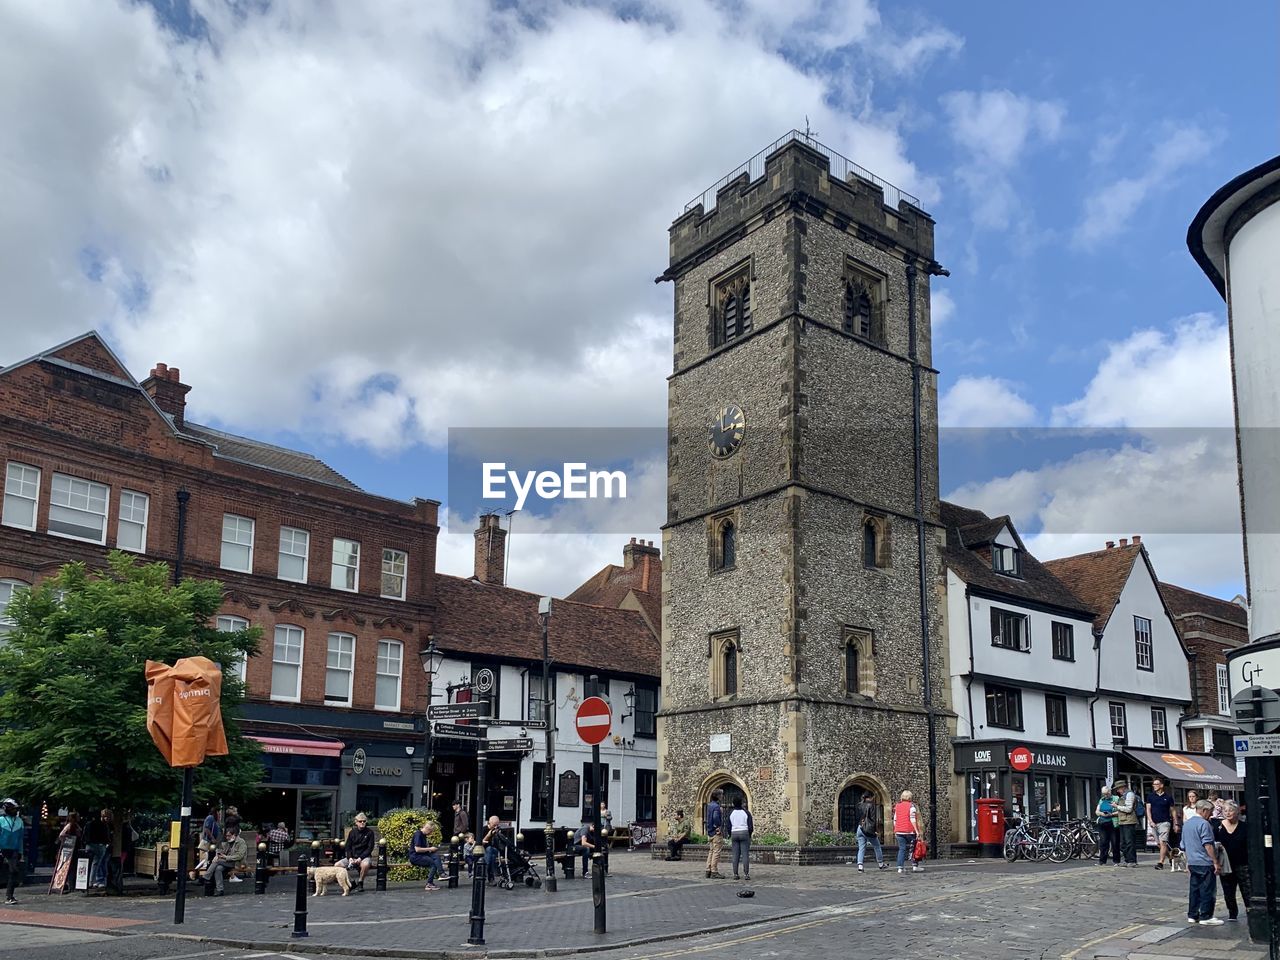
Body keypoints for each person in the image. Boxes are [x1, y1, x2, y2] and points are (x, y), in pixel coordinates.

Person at [1180, 799, 1222, 925]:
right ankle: (1206, 916)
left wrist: (1188, 861)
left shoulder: (1187, 824)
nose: (1211, 815)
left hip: (1193, 862)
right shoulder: (1204, 824)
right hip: (1205, 862)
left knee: (1194, 889)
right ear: (1204, 810)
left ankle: (1192, 915)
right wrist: (1215, 861)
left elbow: (1184, 845)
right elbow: (1208, 845)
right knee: (1207, 889)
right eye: (1210, 812)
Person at [1214, 800, 1249, 922]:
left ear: (1237, 811)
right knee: (1228, 890)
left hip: (1242, 862)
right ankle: (1232, 913)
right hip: (1225, 864)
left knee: (1246, 889)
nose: (1228, 813)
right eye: (1225, 810)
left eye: (1231, 810)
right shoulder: (1218, 827)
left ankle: (1250, 910)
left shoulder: (1244, 826)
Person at [1145, 777, 1177, 870]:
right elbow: (1148, 809)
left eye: (1156, 784)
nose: (1154, 786)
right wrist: (1150, 821)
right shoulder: (1150, 796)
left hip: (1165, 822)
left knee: (1163, 842)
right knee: (1159, 844)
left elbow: (1173, 810)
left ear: (1161, 785)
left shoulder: (1168, 797)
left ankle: (1160, 862)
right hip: (1154, 822)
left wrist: (1175, 823)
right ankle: (1170, 857)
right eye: (1153, 784)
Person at [340, 813, 376, 891]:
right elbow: (348, 847)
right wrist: (350, 858)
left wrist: (360, 858)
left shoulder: (370, 833)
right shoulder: (352, 832)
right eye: (360, 821)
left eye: (364, 821)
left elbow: (370, 848)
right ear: (356, 822)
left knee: (365, 864)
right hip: (353, 856)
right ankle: (351, 882)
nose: (362, 823)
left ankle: (360, 882)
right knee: (337, 865)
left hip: (364, 856)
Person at [208, 826, 247, 896]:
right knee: (218, 868)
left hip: (236, 863)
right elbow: (222, 851)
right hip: (226, 863)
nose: (227, 837)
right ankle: (220, 890)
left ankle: (206, 877)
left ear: (234, 835)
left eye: (229, 836)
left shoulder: (241, 842)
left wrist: (226, 857)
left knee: (217, 861)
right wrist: (218, 855)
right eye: (226, 836)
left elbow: (240, 856)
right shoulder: (228, 842)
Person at [409, 816, 443, 891]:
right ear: (428, 829)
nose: (431, 833)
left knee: (436, 856)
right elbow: (417, 849)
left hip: (421, 855)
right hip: (415, 857)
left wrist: (431, 850)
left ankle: (442, 874)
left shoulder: (423, 835)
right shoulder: (418, 834)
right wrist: (430, 849)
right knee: (433, 864)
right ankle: (429, 884)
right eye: (431, 831)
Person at [0, 799, 24, 905]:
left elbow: (21, 839)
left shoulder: (19, 821)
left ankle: (9, 896)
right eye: (13, 809)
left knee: (13, 871)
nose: (15, 811)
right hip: (1, 848)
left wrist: (20, 851)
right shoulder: (1, 820)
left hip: (13, 849)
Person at [855, 792, 886, 872]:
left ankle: (860, 865)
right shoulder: (871, 805)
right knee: (877, 846)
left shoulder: (859, 805)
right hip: (868, 829)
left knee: (861, 847)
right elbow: (873, 819)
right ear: (870, 797)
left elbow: (858, 817)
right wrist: (875, 830)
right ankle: (881, 864)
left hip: (860, 828)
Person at [893, 790, 922, 874]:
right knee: (914, 848)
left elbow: (895, 820)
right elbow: (912, 819)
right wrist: (917, 831)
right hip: (909, 831)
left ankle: (900, 868)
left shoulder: (897, 806)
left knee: (901, 849)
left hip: (899, 831)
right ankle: (915, 866)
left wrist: (896, 829)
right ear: (909, 797)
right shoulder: (911, 807)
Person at [1113, 779, 1138, 867]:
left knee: (1129, 842)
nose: (1117, 791)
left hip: (1129, 821)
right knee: (1123, 842)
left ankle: (1132, 860)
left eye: (1118, 789)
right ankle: (1126, 860)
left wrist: (1117, 806)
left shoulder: (1129, 794)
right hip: (1123, 821)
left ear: (1123, 787)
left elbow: (1129, 808)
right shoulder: (1123, 795)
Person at [86, 808, 113, 889]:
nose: (106, 818)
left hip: (94, 844)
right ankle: (98, 880)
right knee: (99, 863)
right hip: (101, 845)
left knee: (97, 863)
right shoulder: (104, 825)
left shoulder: (90, 824)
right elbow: (106, 836)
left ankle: (94, 881)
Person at [728, 797, 752, 881]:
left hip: (734, 832)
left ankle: (735, 874)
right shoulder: (746, 812)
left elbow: (728, 825)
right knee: (745, 855)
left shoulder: (731, 813)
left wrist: (729, 834)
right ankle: (746, 874)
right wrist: (749, 834)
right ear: (741, 803)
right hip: (744, 832)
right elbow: (750, 826)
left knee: (735, 855)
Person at [1095, 786, 1120, 866]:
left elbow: (1120, 811)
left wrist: (1111, 814)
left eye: (1106, 794)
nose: (1105, 796)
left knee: (1115, 842)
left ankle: (1116, 861)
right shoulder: (1101, 800)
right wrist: (1102, 814)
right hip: (1102, 823)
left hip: (1113, 823)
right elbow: (1097, 811)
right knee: (1103, 842)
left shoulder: (1116, 799)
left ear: (1110, 792)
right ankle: (1102, 861)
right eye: (1104, 794)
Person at [704, 790, 725, 880]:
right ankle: (714, 871)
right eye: (721, 795)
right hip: (715, 832)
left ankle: (708, 869)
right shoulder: (716, 807)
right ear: (718, 796)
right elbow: (715, 817)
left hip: (709, 831)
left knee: (711, 851)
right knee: (716, 852)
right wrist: (717, 827)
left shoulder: (709, 806)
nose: (722, 797)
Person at [482, 816, 504, 884]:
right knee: (491, 854)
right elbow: (481, 843)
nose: (496, 827)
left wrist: (498, 834)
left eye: (497, 825)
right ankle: (491, 877)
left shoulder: (498, 830)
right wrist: (489, 835)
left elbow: (500, 844)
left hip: (495, 850)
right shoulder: (483, 829)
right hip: (484, 850)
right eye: (494, 825)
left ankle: (485, 872)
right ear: (489, 823)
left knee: (491, 850)